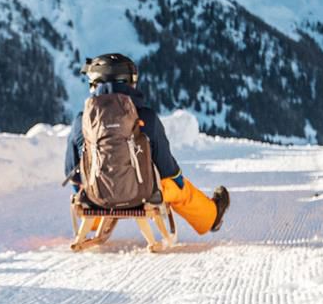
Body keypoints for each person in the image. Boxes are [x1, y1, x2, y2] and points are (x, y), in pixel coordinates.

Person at [65, 52, 231, 233]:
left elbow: (72, 171)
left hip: (96, 198)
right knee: (179, 188)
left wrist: (87, 191)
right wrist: (179, 181)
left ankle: (94, 222)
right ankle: (211, 217)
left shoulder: (81, 122)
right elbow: (167, 167)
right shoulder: (146, 117)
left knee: (86, 186)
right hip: (144, 196)